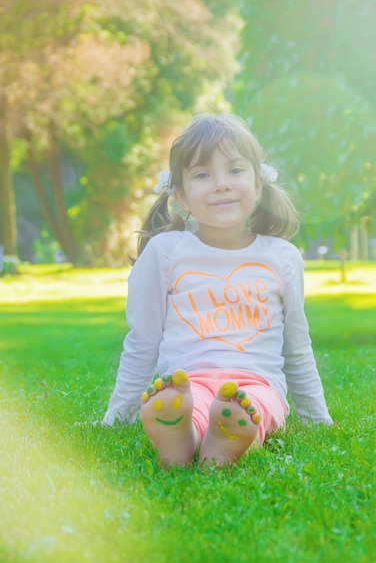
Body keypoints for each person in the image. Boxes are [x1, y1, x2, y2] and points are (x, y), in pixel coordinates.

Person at [103, 113, 333, 466]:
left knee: (252, 407)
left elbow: (297, 347)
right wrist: (116, 419)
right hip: (187, 381)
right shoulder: (167, 252)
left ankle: (228, 436)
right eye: (202, 175)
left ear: (258, 183)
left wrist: (318, 419)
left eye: (235, 170)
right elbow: (142, 341)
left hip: (258, 385)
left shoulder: (281, 257)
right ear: (180, 195)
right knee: (186, 403)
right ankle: (182, 435)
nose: (221, 184)